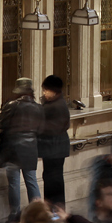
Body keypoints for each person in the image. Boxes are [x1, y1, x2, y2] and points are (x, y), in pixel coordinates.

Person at [0, 77, 43, 223]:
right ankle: (38, 214)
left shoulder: (11, 105)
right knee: (31, 181)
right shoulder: (38, 107)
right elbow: (40, 129)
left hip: (13, 149)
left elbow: (1, 123)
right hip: (30, 149)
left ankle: (15, 213)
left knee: (14, 183)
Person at [38, 74, 70, 208]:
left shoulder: (55, 106)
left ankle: (55, 210)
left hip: (54, 149)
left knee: (53, 181)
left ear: (54, 90)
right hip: (53, 149)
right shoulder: (55, 103)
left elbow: (53, 128)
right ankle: (53, 209)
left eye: (46, 90)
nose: (44, 93)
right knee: (51, 179)